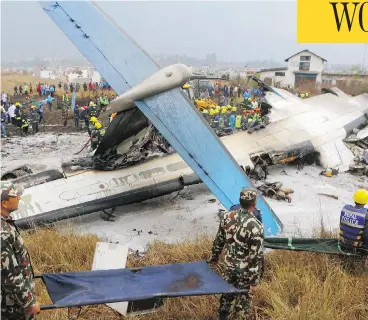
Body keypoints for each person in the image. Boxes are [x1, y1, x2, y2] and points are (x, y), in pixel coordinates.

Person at [208, 187, 264, 320]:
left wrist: (214, 259)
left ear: (239, 201)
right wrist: (254, 282)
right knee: (243, 303)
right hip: (245, 272)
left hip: (229, 267)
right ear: (254, 204)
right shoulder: (256, 226)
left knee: (226, 297)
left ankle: (223, 317)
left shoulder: (227, 217)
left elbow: (219, 241)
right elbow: (256, 256)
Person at [1, 182, 40, 319]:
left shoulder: (5, 224)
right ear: (4, 204)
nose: (19, 198)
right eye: (15, 196)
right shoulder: (3, 233)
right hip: (13, 306)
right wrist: (28, 302)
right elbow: (9, 274)